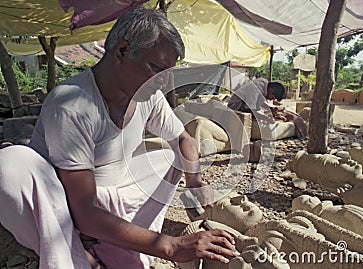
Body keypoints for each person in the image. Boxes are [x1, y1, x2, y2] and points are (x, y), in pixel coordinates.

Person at [0, 7, 239, 269]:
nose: (165, 81)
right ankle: (76, 253)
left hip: (109, 198)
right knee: (11, 163)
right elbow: (85, 210)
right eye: (157, 67)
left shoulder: (148, 95)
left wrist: (194, 181)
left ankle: (111, 243)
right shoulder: (72, 103)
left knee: (170, 156)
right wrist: (171, 246)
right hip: (64, 205)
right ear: (122, 51)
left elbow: (184, 139)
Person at [227, 78, 308, 138]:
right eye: (273, 97)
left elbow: (259, 103)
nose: (271, 99)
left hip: (245, 106)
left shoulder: (264, 84)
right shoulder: (256, 89)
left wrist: (270, 110)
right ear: (271, 91)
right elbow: (251, 109)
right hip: (236, 108)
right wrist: (267, 117)